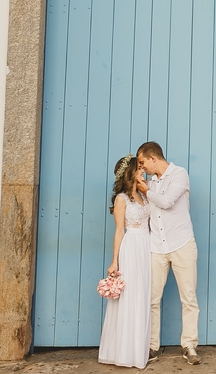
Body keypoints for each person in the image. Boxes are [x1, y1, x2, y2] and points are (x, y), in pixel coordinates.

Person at [135, 141, 201, 365]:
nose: (142, 168)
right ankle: (152, 346)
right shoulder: (150, 183)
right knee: (152, 299)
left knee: (189, 298)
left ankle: (189, 345)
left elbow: (167, 202)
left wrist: (146, 190)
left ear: (153, 158)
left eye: (143, 162)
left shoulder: (179, 174)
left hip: (182, 243)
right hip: (156, 247)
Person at [98, 156, 152, 369]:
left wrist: (147, 189)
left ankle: (140, 350)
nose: (143, 170)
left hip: (147, 246)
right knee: (131, 297)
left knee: (144, 295)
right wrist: (114, 261)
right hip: (132, 247)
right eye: (139, 168)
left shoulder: (144, 196)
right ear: (129, 172)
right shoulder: (122, 199)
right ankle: (125, 352)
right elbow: (119, 230)